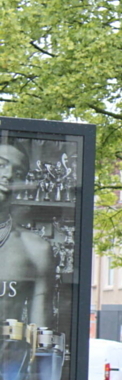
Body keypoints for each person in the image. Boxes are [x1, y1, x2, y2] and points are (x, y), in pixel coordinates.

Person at [0, 140, 54, 330]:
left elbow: (40, 335)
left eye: (18, 173)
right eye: (1, 165)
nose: (8, 175)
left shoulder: (36, 249)